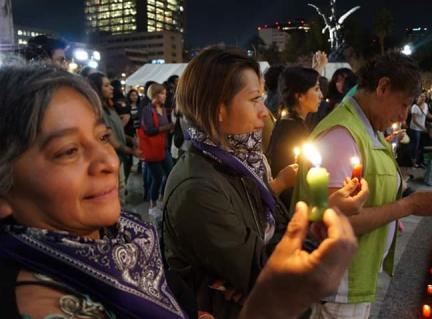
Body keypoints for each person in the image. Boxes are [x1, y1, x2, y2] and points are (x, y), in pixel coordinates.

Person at [0, 63, 359, 319]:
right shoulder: (41, 302)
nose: (107, 161)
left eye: (103, 137)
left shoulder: (126, 237)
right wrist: (271, 303)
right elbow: (254, 271)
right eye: (67, 151)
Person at [162, 48, 368, 318]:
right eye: (255, 100)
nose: (264, 112)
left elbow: (274, 233)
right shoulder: (198, 188)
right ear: (218, 109)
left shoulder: (241, 162)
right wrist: (324, 214)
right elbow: (268, 276)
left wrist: (248, 278)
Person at [292, 52, 432, 319]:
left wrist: (388, 216)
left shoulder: (366, 128)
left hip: (351, 281)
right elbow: (336, 221)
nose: (402, 115)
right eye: (403, 104)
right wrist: (406, 206)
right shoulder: (342, 135)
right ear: (383, 87)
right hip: (336, 289)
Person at [267, 66, 322, 208]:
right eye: (316, 89)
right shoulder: (291, 130)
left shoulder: (292, 122)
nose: (321, 95)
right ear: (300, 96)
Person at [87, 72, 141, 203]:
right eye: (106, 85)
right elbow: (113, 142)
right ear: (96, 88)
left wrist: (130, 139)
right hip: (111, 160)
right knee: (116, 196)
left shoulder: (109, 108)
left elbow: (118, 132)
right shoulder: (97, 112)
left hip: (119, 159)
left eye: (110, 85)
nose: (111, 88)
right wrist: (134, 152)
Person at [138, 83, 174, 217]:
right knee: (157, 177)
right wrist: (167, 127)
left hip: (164, 148)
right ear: (154, 95)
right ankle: (152, 204)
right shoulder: (148, 110)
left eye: (165, 93)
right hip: (152, 150)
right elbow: (149, 130)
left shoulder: (163, 109)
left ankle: (160, 198)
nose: (165, 96)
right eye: (162, 93)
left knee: (170, 174)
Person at [409, 92, 432, 167]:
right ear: (417, 98)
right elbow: (414, 120)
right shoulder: (414, 107)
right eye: (421, 96)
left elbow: (427, 114)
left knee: (422, 146)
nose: (423, 98)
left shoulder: (425, 105)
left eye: (424, 96)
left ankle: (420, 161)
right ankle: (413, 162)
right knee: (415, 145)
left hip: (422, 129)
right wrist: (423, 128)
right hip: (415, 129)